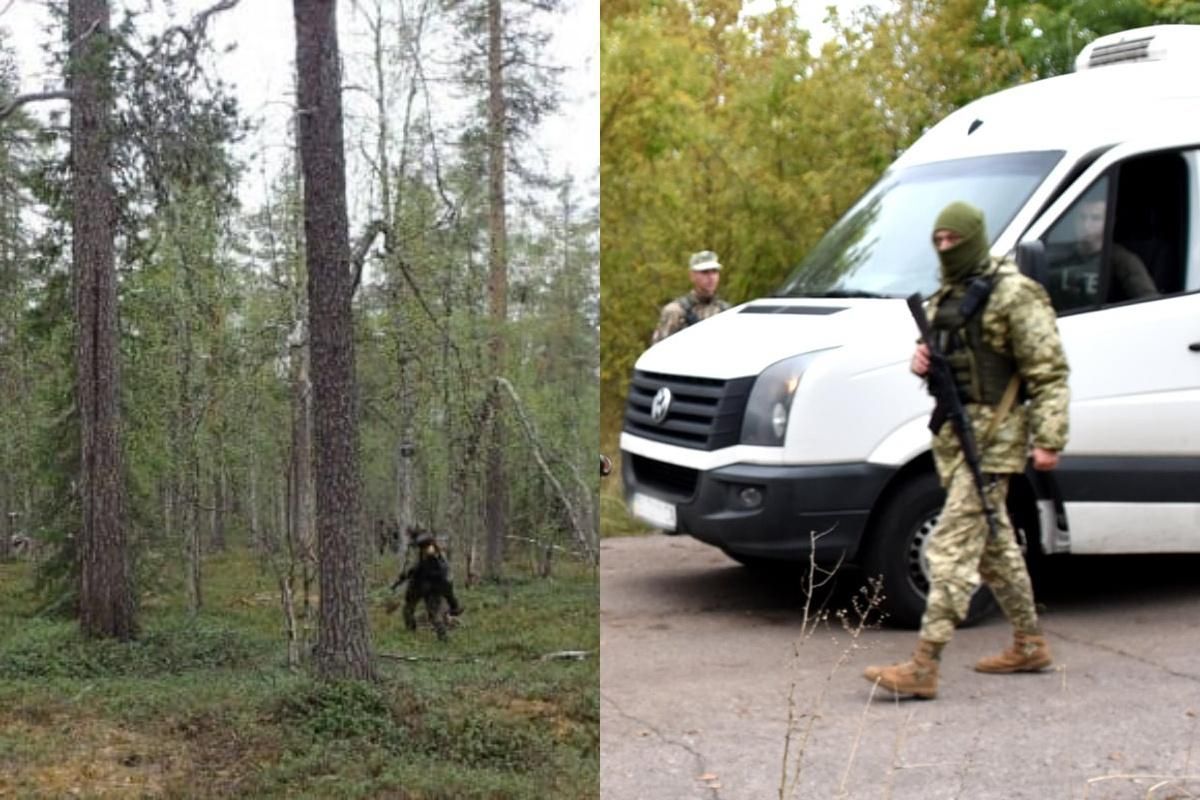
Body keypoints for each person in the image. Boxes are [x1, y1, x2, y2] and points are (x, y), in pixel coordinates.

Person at [863, 201, 1070, 700]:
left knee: (949, 546)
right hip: (955, 437)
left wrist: (1048, 439)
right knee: (995, 547)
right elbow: (941, 358)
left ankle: (924, 664)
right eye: (939, 242)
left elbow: (1049, 371)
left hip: (995, 440)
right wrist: (922, 362)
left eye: (955, 241)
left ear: (975, 239)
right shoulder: (946, 297)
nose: (946, 249)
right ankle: (1029, 642)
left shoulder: (1015, 295)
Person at [1051, 187, 1158, 305]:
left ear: (1109, 222)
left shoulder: (1122, 261)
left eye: (1095, 218)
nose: (1086, 225)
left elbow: (1149, 302)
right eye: (1082, 217)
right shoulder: (1061, 255)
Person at [390, 526, 464, 641]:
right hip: (421, 584)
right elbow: (416, 567)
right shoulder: (425, 550)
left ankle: (443, 637)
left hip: (430, 586)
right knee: (409, 608)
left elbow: (424, 552)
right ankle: (411, 631)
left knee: (432, 614)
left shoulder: (430, 548)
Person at [650, 250, 730, 344]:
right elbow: (658, 351)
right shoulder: (675, 312)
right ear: (692, 276)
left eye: (714, 272)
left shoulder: (726, 311)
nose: (711, 277)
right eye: (705, 272)